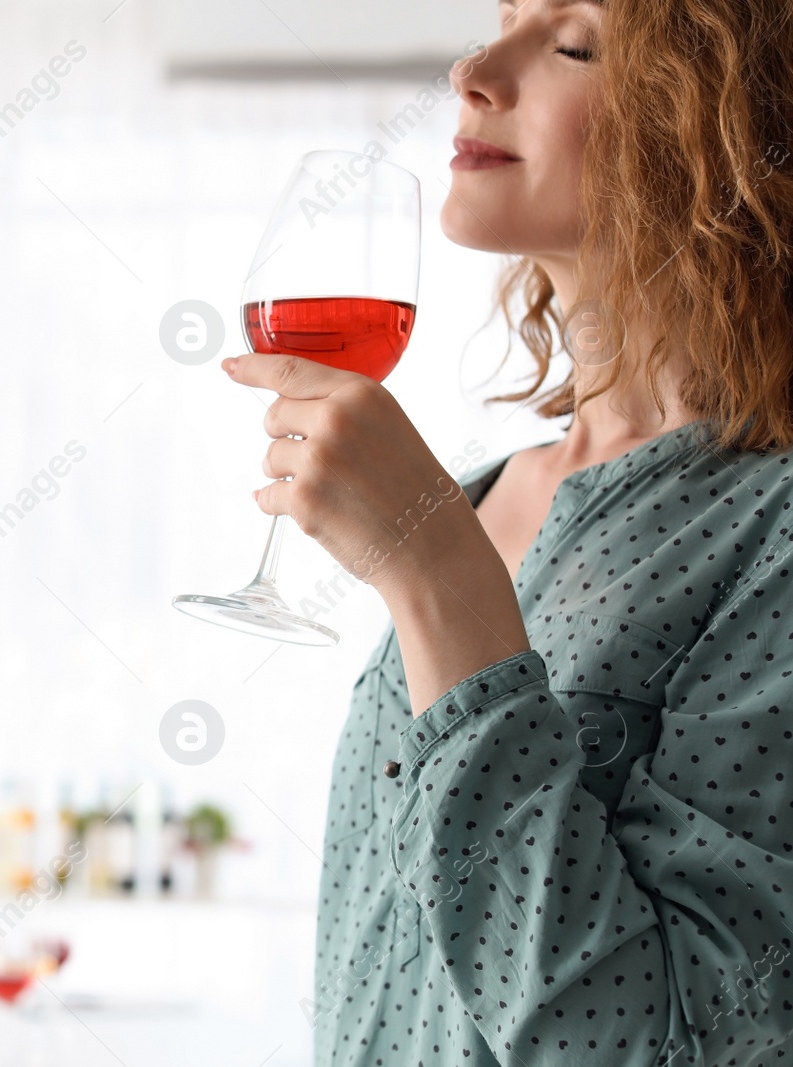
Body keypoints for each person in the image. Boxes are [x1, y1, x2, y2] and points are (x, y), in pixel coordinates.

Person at [222, 0, 793, 1063]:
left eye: (571, 43)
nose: (472, 70)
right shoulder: (490, 487)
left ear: (722, 130)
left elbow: (673, 1044)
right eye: (500, 20)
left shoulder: (772, 530)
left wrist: (434, 572)